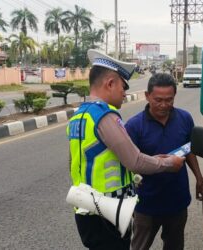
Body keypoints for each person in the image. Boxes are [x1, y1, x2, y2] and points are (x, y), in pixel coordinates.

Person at [66, 50, 185, 250]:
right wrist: (168, 163)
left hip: (85, 207)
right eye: (123, 86)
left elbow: (78, 162)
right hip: (108, 210)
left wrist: (151, 160)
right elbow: (134, 161)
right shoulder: (105, 117)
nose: (124, 92)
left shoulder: (79, 116)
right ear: (110, 83)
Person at [125, 73, 203, 250]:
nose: (164, 105)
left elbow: (189, 150)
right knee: (139, 246)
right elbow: (129, 163)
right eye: (158, 100)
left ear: (174, 96)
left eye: (169, 100)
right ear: (147, 96)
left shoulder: (185, 118)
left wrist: (199, 179)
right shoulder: (134, 126)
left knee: (175, 246)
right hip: (145, 204)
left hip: (177, 201)